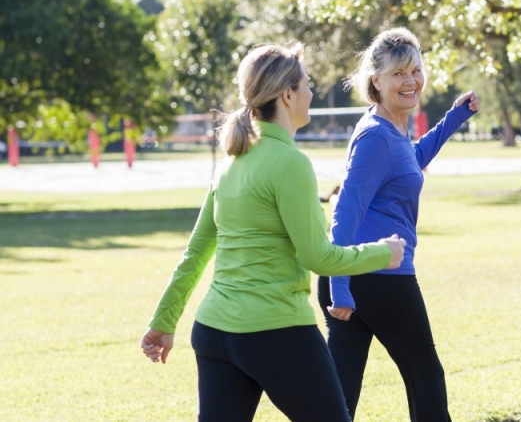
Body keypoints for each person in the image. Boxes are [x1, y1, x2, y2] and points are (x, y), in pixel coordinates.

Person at [140, 42, 407, 422]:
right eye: (307, 85)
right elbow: (319, 257)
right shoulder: (291, 164)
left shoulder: (232, 162)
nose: (312, 93)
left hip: (215, 332)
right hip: (276, 332)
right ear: (287, 94)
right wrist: (383, 253)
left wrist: (164, 322)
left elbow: (195, 253)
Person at [317, 27, 480, 421]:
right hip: (377, 274)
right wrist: (340, 288)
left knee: (339, 398)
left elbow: (410, 158)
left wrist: (456, 117)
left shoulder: (387, 128)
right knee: (425, 376)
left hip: (356, 275)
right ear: (376, 81)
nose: (410, 81)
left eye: (415, 70)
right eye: (398, 74)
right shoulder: (377, 136)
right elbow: (346, 208)